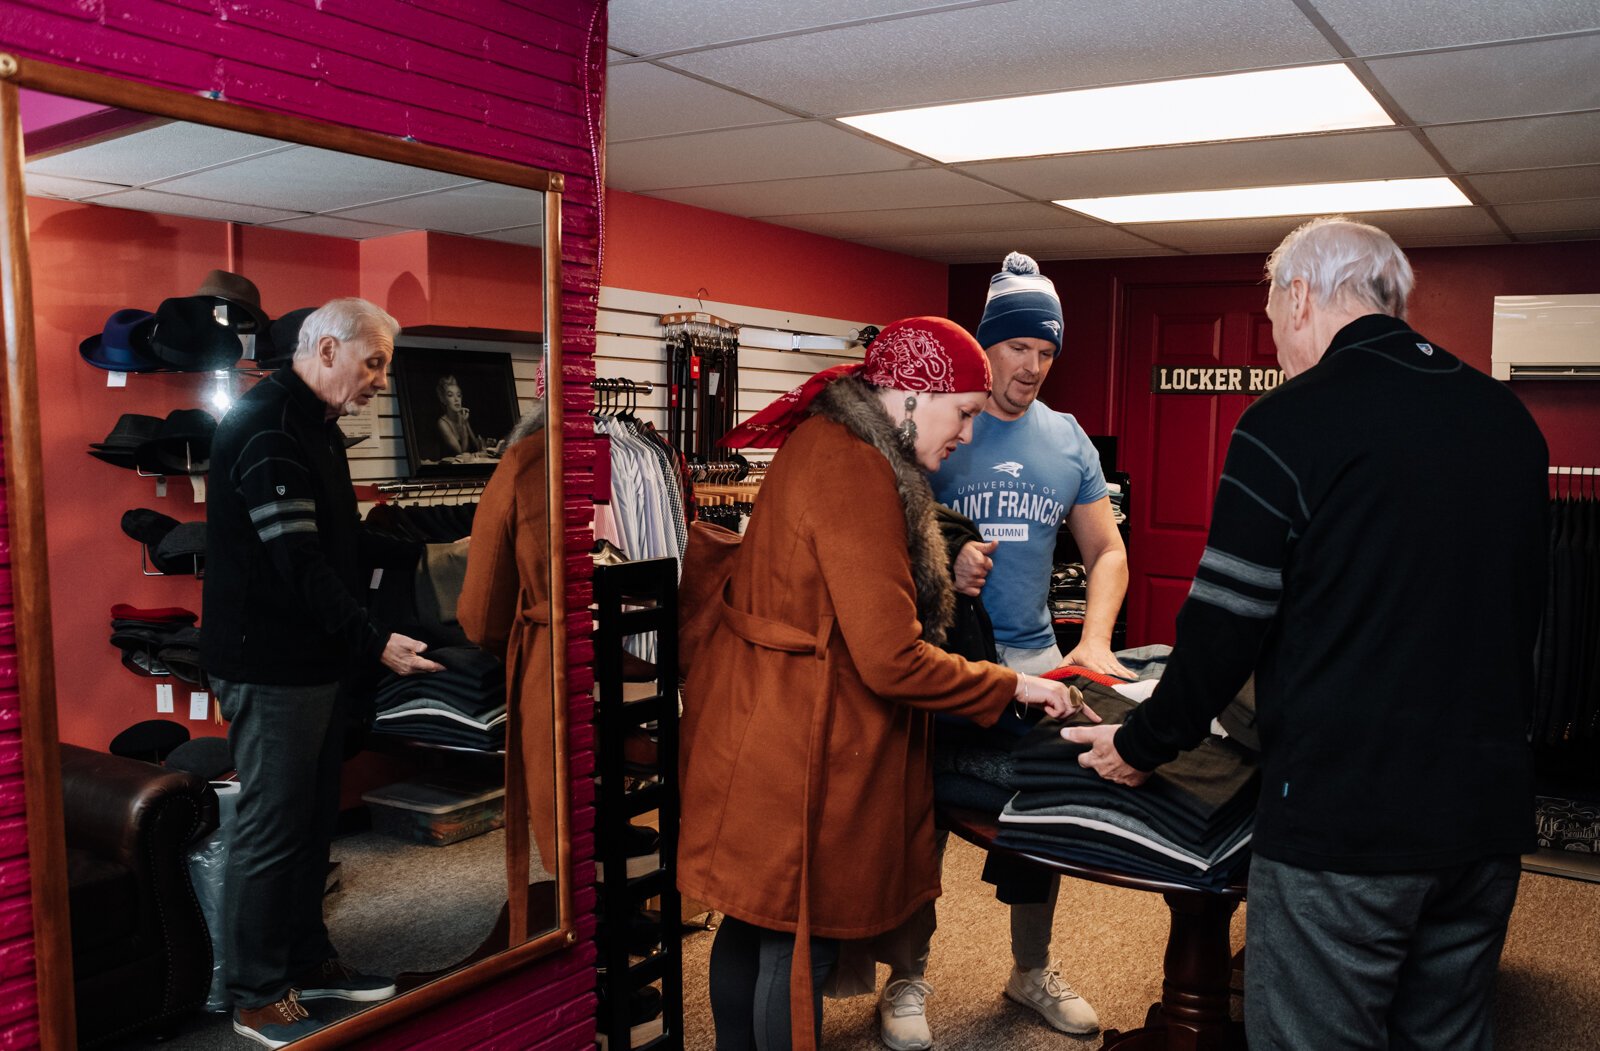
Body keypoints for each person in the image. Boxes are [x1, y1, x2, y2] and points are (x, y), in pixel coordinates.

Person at [1065, 217, 1549, 1051]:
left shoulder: (1288, 421)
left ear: (1298, 297)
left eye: (1273, 317)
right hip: (1487, 814)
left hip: (1344, 827)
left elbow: (1221, 630)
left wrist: (1142, 742)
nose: (1278, 344)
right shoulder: (1508, 420)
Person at [677, 317, 1099, 1051]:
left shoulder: (822, 440)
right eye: (964, 412)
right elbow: (890, 658)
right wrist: (1014, 688)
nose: (968, 434)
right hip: (799, 741)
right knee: (789, 937)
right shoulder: (857, 468)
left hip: (759, 721)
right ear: (910, 395)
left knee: (754, 922)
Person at [874, 253, 1131, 1047]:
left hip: (1035, 656)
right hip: (945, 657)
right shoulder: (946, 422)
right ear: (987, 346)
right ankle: (907, 979)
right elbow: (883, 535)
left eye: (1047, 351)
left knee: (1040, 812)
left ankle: (1029, 969)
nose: (1034, 365)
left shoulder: (1066, 439)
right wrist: (943, 558)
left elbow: (1108, 552)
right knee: (926, 815)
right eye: (1020, 346)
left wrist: (1091, 637)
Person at [201, 297, 446, 1048]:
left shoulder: (311, 423)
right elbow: (300, 563)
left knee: (310, 823)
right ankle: (252, 993)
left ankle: (305, 960)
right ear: (330, 349)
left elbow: (344, 540)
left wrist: (435, 555)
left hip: (309, 661)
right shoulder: (270, 428)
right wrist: (376, 640)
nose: (379, 380)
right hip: (271, 666)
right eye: (373, 363)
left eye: (385, 367)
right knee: (273, 827)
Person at [458, 398, 560, 887]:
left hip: (553, 659)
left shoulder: (527, 461)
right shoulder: (655, 457)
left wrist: (512, 647)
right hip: (641, 664)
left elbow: (481, 612)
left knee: (564, 810)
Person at [434, 373, 499, 458]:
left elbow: (476, 445)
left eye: (459, 395)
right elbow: (460, 453)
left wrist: (485, 444)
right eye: (450, 395)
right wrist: (464, 425)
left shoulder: (462, 417)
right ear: (443, 399)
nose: (456, 399)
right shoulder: (442, 423)